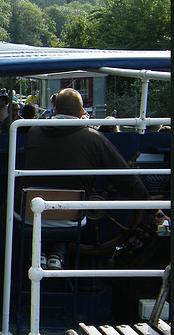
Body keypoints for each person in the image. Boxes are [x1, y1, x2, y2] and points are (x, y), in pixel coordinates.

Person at [20, 87, 167, 269]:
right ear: (82, 113)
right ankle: (57, 254)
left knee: (7, 209)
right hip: (71, 216)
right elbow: (125, 179)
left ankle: (39, 251)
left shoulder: (34, 132)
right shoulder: (93, 138)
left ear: (55, 110)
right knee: (70, 217)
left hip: (31, 214)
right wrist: (153, 210)